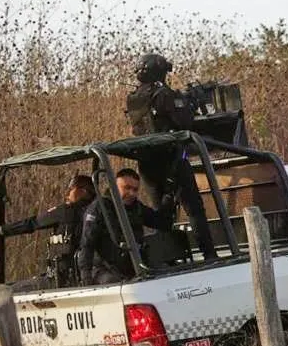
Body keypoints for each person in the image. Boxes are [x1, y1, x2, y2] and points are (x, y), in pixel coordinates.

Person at [124, 53, 218, 261]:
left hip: (147, 163)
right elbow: (184, 121)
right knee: (193, 208)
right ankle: (209, 254)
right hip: (171, 159)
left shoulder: (133, 98)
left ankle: (167, 258)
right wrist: (189, 103)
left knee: (161, 213)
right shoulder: (164, 94)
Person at [0, 174, 95, 289]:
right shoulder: (100, 213)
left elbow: (32, 223)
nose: (67, 193)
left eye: (71, 188)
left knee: (1, 292)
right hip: (88, 278)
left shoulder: (66, 212)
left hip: (61, 279)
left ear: (83, 191)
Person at [76, 168, 174, 286]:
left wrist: (168, 198)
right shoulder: (100, 208)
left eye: (135, 189)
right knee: (115, 284)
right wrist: (86, 277)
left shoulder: (136, 207)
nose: (131, 193)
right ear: (114, 187)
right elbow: (87, 244)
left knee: (166, 276)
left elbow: (162, 223)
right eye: (126, 188)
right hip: (105, 269)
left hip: (134, 265)